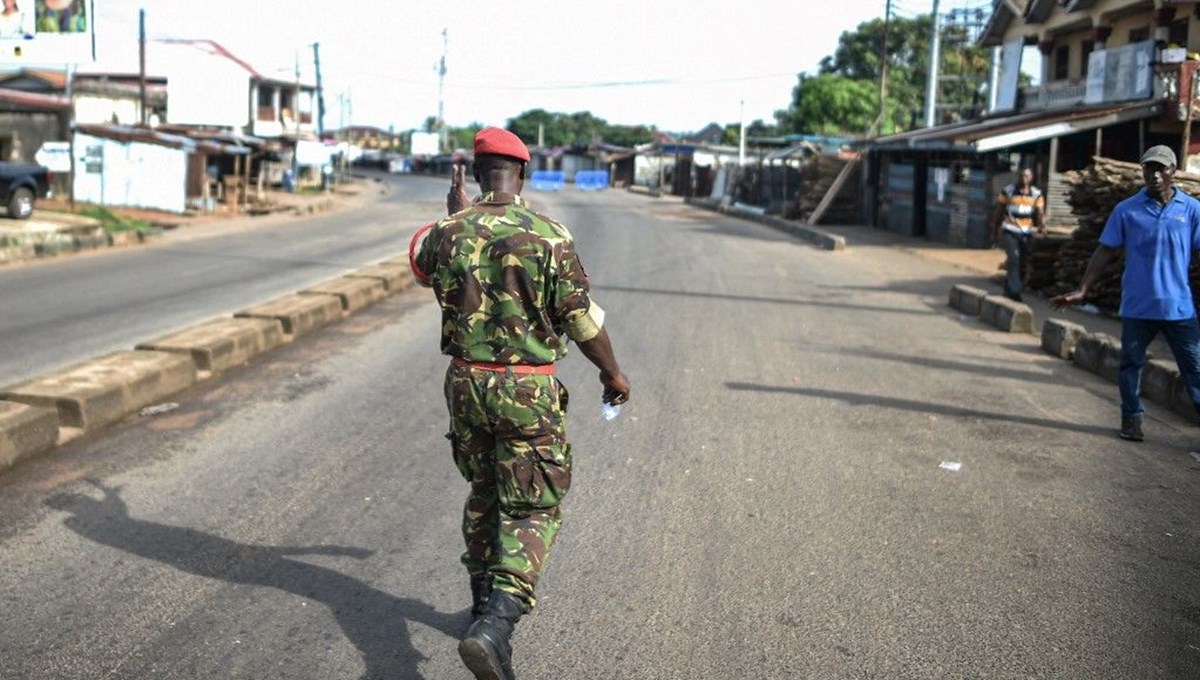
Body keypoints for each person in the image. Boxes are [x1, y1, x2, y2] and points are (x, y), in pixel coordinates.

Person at [410, 126, 630, 680]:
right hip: (526, 390)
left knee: (484, 490)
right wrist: (613, 373)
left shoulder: (448, 231)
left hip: (465, 384)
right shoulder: (550, 234)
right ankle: (497, 623)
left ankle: (483, 609)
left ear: (478, 174)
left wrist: (454, 216)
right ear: (523, 173)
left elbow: (420, 264)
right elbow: (581, 320)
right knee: (532, 505)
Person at [1051, 145, 1200, 442]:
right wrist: (1083, 289)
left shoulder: (1192, 210)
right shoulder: (1127, 210)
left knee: (1195, 368)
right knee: (1130, 365)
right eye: (1149, 168)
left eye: (1161, 169)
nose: (1155, 175)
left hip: (1179, 308)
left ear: (1174, 172)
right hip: (1138, 306)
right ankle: (1131, 420)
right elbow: (1104, 251)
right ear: (1142, 171)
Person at [990, 166, 1046, 301]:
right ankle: (1015, 292)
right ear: (1018, 177)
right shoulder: (1008, 191)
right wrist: (994, 230)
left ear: (1031, 177)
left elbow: (1040, 212)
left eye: (1026, 176)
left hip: (1026, 233)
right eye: (1021, 176)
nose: (1023, 178)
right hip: (1010, 230)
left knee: (1022, 263)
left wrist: (1042, 225)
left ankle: (1009, 289)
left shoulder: (1036, 194)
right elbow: (999, 211)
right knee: (1014, 259)